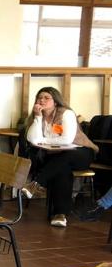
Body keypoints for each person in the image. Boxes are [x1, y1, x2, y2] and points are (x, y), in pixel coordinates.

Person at [21, 87, 98, 228]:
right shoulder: (40, 117)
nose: (42, 100)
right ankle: (60, 215)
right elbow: (32, 139)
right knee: (62, 170)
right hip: (59, 156)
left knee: (66, 157)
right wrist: (38, 117)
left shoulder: (66, 113)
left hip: (81, 152)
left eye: (46, 98)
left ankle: (37, 183)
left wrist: (43, 141)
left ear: (55, 101)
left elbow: (67, 139)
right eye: (39, 98)